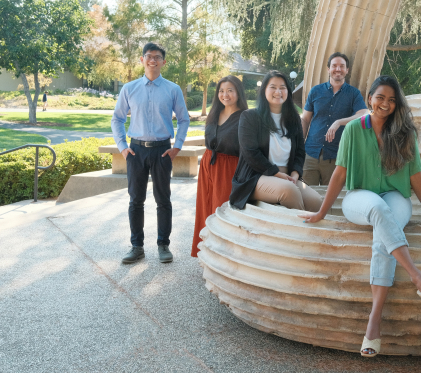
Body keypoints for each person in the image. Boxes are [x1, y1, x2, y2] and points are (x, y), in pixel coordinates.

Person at [299, 75, 421, 358]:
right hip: (359, 199)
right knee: (377, 210)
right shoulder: (352, 129)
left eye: (391, 99)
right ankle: (419, 280)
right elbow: (340, 173)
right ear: (370, 97)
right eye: (380, 97)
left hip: (396, 197)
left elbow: (415, 175)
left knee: (382, 236)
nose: (385, 104)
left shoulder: (405, 132)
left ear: (396, 103)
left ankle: (374, 322)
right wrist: (321, 212)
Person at [112, 42, 190, 264]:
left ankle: (163, 245)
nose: (152, 60)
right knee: (136, 200)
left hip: (162, 151)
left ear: (163, 62)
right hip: (135, 151)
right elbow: (117, 118)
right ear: (142, 60)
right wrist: (122, 147)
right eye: (148, 56)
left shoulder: (173, 89)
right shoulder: (129, 88)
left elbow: (184, 119)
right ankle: (137, 247)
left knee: (163, 199)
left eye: (157, 57)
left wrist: (177, 147)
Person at [229, 70, 323, 212]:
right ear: (264, 90)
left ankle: (303, 230)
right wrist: (277, 174)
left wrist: (295, 174)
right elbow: (250, 153)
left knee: (316, 201)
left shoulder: (294, 119)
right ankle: (300, 232)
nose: (278, 92)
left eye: (282, 87)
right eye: (273, 87)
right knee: (289, 191)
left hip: (288, 176)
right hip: (257, 176)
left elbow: (300, 151)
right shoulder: (250, 117)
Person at [191, 76, 248, 257]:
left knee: (222, 210)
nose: (225, 95)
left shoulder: (246, 117)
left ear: (238, 92)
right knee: (205, 208)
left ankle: (223, 256)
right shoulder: (215, 112)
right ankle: (207, 250)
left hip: (229, 168)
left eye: (230, 90)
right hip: (208, 165)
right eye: (222, 91)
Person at [300, 52, 368, 185]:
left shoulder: (353, 93)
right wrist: (299, 145)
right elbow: (305, 119)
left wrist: (338, 122)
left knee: (330, 199)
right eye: (334, 66)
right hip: (310, 154)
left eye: (342, 66)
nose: (338, 69)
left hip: (336, 156)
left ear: (347, 70)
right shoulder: (315, 91)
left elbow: (364, 114)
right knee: (306, 196)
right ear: (328, 69)